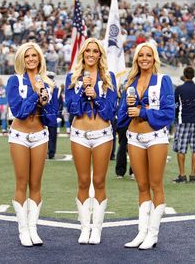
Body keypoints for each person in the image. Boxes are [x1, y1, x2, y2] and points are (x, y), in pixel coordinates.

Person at [117, 42, 175, 250]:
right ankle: (142, 232)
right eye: (140, 55)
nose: (144, 58)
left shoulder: (163, 80)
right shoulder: (130, 81)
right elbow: (123, 113)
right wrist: (127, 111)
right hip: (134, 138)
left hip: (156, 137)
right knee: (141, 186)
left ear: (154, 58)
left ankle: (153, 233)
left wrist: (142, 112)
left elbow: (168, 113)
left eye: (148, 55)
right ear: (136, 59)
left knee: (155, 184)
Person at [65, 38, 117, 245]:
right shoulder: (72, 77)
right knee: (84, 181)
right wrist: (82, 90)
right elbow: (72, 108)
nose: (91, 54)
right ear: (83, 53)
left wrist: (96, 95)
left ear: (100, 55)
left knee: (99, 181)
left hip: (103, 133)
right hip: (79, 134)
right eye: (88, 50)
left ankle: (97, 229)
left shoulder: (108, 77)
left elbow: (109, 111)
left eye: (95, 51)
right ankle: (84, 227)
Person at [6, 42, 58, 247]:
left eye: (34, 56)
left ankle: (33, 229)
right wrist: (36, 95)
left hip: (39, 136)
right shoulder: (14, 80)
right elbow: (18, 111)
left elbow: (51, 119)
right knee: (22, 183)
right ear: (22, 58)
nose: (30, 59)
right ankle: (23, 230)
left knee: (36, 184)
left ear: (39, 58)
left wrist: (45, 104)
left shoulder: (49, 83)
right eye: (27, 56)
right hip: (19, 134)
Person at [173, 66, 195, 183]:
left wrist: (175, 119)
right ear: (194, 75)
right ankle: (193, 175)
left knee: (182, 149)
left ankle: (182, 175)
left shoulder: (179, 89)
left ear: (184, 75)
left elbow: (175, 105)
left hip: (183, 121)